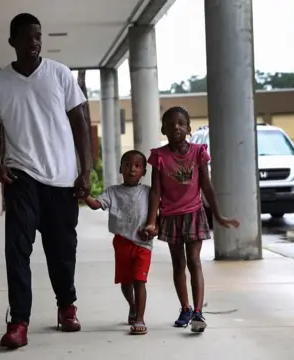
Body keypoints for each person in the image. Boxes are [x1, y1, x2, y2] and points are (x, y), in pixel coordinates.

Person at [0, 13, 92, 350]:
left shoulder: (59, 75)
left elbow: (81, 123)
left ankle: (66, 306)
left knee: (62, 251)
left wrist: (86, 169)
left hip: (61, 179)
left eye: (38, 37)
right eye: (28, 37)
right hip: (21, 176)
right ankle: (18, 321)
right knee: (16, 249)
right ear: (12, 42)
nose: (34, 43)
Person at [144, 106, 240, 333]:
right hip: (170, 216)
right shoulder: (159, 157)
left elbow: (206, 185)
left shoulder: (198, 152)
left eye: (180, 123)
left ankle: (198, 311)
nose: (175, 127)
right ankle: (185, 308)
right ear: (163, 129)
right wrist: (152, 221)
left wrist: (218, 215)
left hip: (194, 213)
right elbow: (155, 191)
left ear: (188, 128)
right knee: (178, 263)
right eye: (170, 124)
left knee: (194, 261)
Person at [84, 150, 153, 335]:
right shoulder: (112, 192)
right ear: (121, 168)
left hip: (142, 244)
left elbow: (158, 217)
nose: (132, 169)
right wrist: (85, 195)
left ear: (144, 172)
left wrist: (154, 229)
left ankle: (140, 318)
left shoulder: (148, 192)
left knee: (139, 280)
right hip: (121, 242)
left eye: (138, 166)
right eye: (128, 165)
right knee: (125, 282)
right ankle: (132, 305)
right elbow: (96, 205)